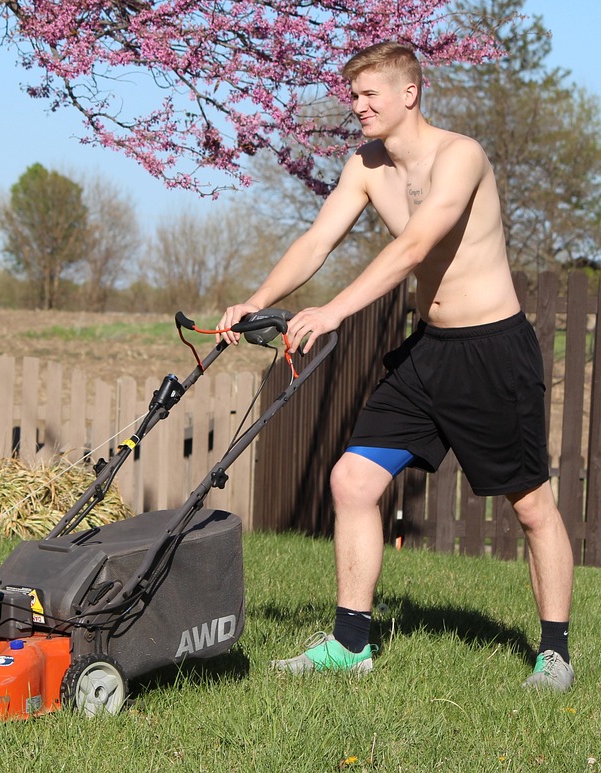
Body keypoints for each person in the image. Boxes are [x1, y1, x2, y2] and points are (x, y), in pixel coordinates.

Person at [217, 41, 575, 691]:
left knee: (529, 506)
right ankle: (351, 643)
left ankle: (554, 652)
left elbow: (414, 247)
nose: (356, 106)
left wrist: (333, 311)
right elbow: (317, 240)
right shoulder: (366, 165)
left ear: (409, 93)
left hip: (493, 351)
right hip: (429, 352)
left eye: (368, 94)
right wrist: (258, 300)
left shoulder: (460, 156)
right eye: (353, 95)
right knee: (353, 481)